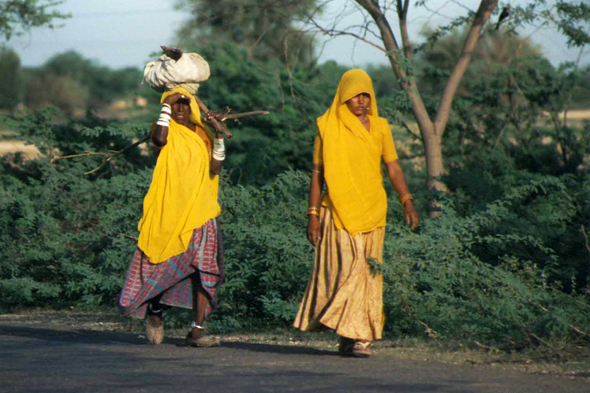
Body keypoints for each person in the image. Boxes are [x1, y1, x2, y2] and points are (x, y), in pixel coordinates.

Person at [293, 69, 419, 358]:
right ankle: (348, 334)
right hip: (337, 210)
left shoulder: (381, 127)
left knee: (368, 274)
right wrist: (312, 215)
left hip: (374, 209)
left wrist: (407, 200)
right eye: (354, 95)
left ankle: (358, 338)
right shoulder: (327, 127)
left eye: (365, 95)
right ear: (343, 97)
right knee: (348, 271)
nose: (361, 101)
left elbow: (394, 167)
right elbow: (317, 174)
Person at [118, 47, 226, 347]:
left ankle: (197, 331)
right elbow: (161, 138)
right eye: (175, 104)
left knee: (205, 269)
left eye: (184, 103)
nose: (180, 108)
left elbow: (215, 168)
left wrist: (218, 136)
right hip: (172, 212)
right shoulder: (162, 131)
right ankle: (155, 308)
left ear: (191, 106)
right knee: (164, 265)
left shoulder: (201, 133)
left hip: (203, 211)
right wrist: (166, 103)